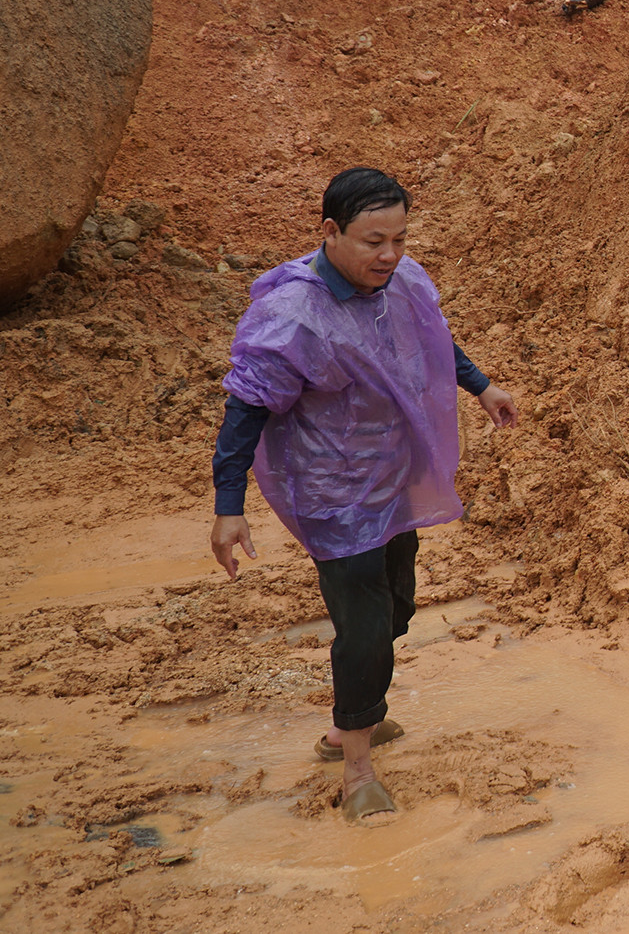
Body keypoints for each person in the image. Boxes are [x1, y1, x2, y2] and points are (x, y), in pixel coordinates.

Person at [208, 167, 518, 825]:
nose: (391, 255)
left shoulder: (397, 280)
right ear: (330, 232)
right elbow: (245, 410)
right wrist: (228, 507)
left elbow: (432, 340)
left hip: (391, 479)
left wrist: (482, 386)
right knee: (366, 630)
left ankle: (347, 723)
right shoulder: (291, 317)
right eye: (375, 240)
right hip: (333, 496)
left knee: (398, 608)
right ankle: (356, 771)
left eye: (400, 238)